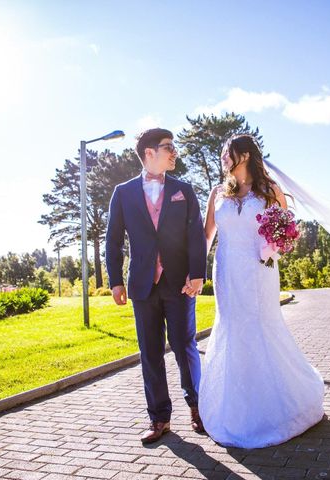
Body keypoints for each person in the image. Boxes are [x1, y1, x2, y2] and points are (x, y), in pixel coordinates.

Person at [198, 134, 325, 448]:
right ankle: (237, 409)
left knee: (262, 330)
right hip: (227, 273)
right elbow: (205, 239)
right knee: (232, 331)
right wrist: (192, 272)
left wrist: (276, 245)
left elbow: (287, 234)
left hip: (259, 271)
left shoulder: (270, 191)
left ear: (244, 155)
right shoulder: (217, 193)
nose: (223, 158)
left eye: (227, 153)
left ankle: (283, 405)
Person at [105, 128, 207, 444]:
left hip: (179, 284)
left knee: (184, 346)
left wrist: (197, 273)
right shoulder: (123, 193)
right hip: (142, 286)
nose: (174, 152)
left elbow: (195, 236)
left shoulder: (184, 190)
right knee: (150, 354)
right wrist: (116, 281)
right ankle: (159, 418)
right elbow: (112, 240)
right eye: (168, 147)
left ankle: (198, 408)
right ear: (150, 153)